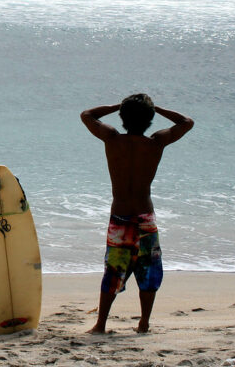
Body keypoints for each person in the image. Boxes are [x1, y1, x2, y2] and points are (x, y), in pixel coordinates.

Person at [80, 94, 193, 334]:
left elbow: (87, 115)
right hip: (145, 217)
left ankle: (100, 325)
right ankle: (144, 323)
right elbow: (186, 122)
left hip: (120, 217)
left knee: (113, 272)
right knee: (148, 271)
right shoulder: (155, 143)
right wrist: (156, 108)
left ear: (122, 117)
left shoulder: (112, 139)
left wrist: (116, 105)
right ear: (150, 119)